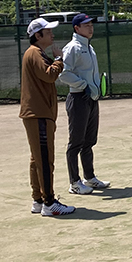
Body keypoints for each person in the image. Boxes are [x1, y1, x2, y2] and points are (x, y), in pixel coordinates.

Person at [20, 18, 73, 216]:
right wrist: (59, 59)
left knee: (37, 159)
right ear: (37, 35)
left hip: (38, 114)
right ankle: (49, 203)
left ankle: (39, 200)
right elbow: (49, 75)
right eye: (47, 31)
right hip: (38, 114)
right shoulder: (34, 53)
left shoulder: (36, 53)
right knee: (44, 160)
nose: (52, 34)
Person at [59, 13, 110, 195]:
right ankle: (74, 182)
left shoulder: (90, 47)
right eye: (86, 25)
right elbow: (63, 73)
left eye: (91, 24)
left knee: (89, 141)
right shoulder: (72, 48)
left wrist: (94, 89)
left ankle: (90, 178)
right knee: (75, 143)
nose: (90, 27)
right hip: (78, 99)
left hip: (91, 99)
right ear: (77, 28)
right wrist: (84, 85)